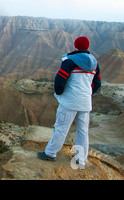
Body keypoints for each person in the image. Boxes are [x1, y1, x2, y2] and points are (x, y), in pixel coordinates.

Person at [38, 36, 101, 168]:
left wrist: (60, 93)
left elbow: (60, 80)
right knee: (83, 131)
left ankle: (50, 153)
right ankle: (81, 159)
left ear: (75, 47)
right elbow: (97, 83)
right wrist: (87, 94)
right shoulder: (95, 64)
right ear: (88, 47)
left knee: (61, 128)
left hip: (70, 102)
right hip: (85, 103)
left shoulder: (70, 61)